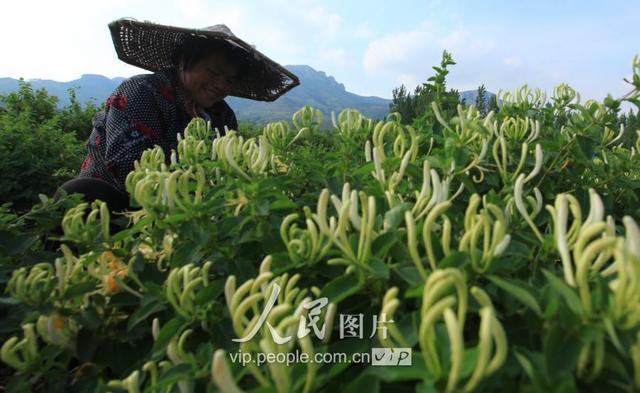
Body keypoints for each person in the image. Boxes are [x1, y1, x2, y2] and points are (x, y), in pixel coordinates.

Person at [55, 18, 299, 212]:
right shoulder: (142, 91)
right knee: (85, 191)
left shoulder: (223, 116)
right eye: (214, 72)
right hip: (113, 202)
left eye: (230, 80)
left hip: (191, 206)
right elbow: (129, 163)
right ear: (183, 61)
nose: (221, 85)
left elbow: (229, 166)